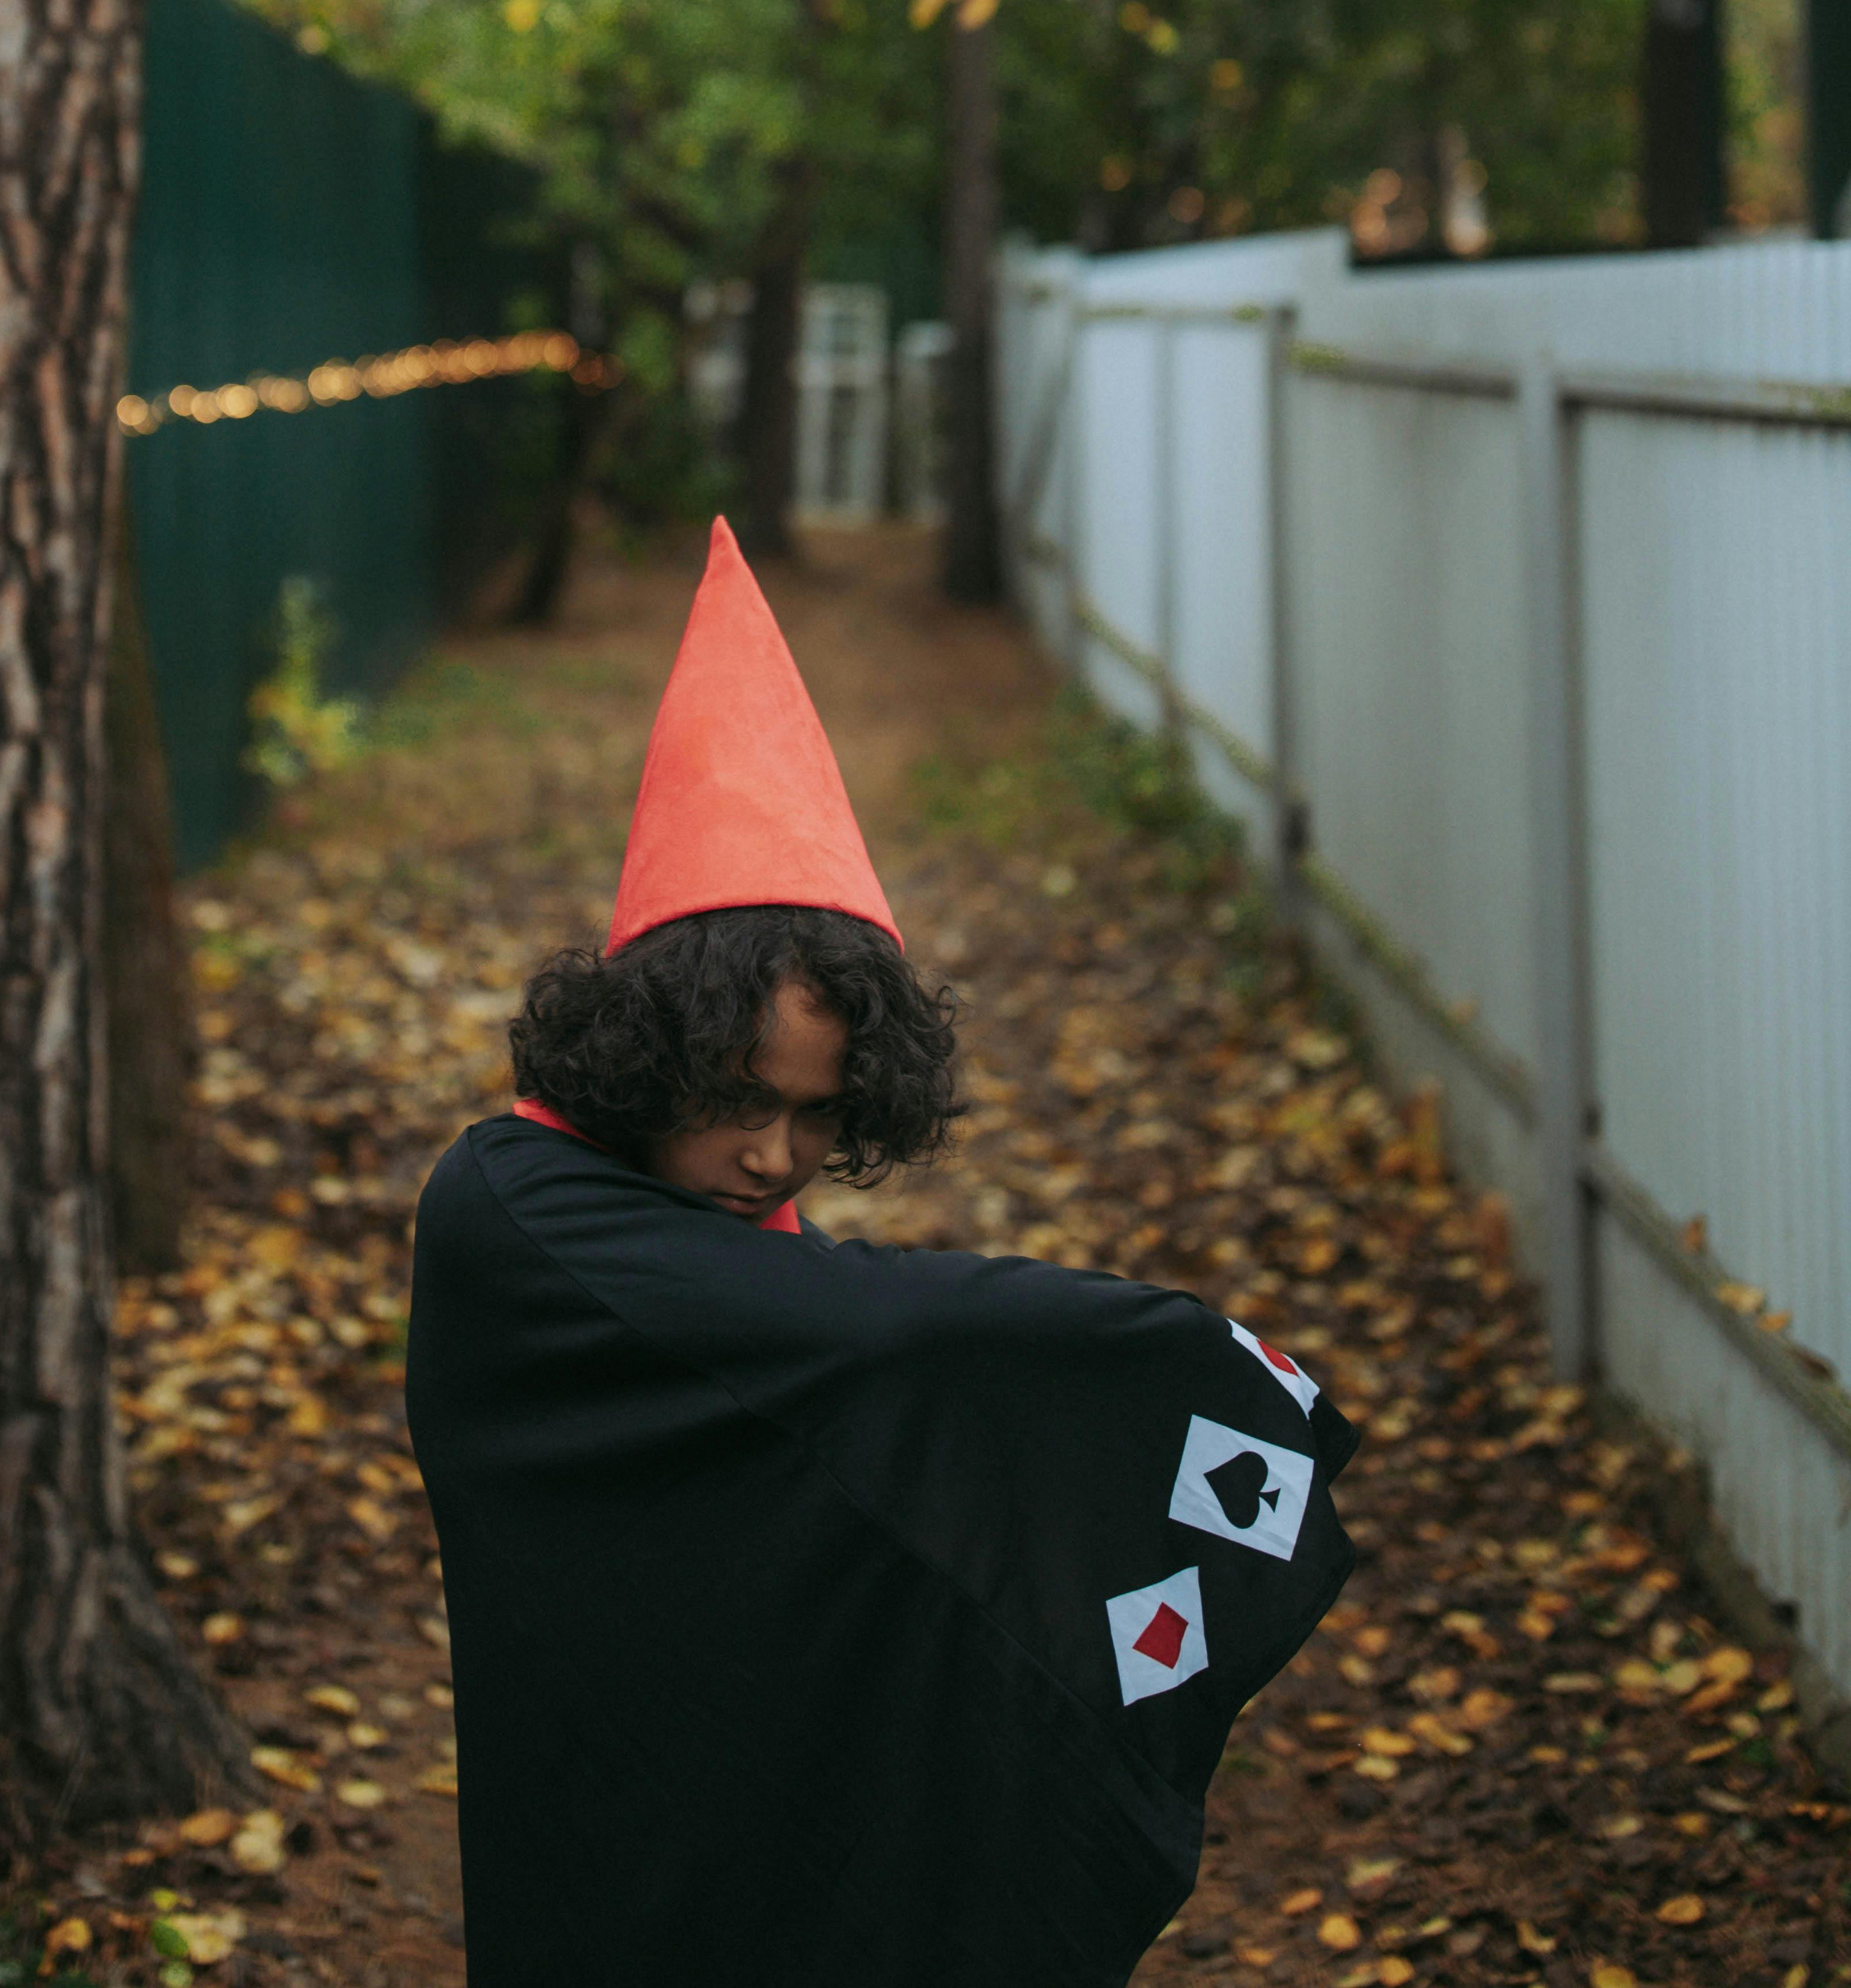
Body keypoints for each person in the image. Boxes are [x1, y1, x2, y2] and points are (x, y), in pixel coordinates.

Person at [405, 517, 1358, 1988]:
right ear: (639, 1047)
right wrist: (1178, 1353)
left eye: (814, 1117)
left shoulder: (733, 1238)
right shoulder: (514, 1204)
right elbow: (881, 1338)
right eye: (733, 1103)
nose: (771, 1160)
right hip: (599, 1822)